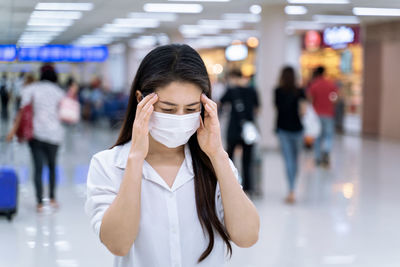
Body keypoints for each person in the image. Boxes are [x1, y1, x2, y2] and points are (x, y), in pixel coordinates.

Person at [85, 44, 260, 267]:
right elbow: (118, 243)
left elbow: (247, 236)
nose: (179, 117)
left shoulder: (214, 164)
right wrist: (136, 158)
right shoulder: (108, 165)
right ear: (141, 99)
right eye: (167, 109)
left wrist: (217, 154)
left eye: (190, 109)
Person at [7, 64, 65, 212]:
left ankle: (39, 202)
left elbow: (22, 111)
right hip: (54, 135)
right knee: (52, 167)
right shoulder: (59, 92)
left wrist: (13, 131)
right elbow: (64, 113)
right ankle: (52, 198)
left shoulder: (32, 89)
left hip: (36, 135)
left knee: (38, 168)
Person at [219, 70, 260, 195]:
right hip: (248, 130)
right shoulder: (253, 90)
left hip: (234, 129)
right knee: (247, 160)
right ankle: (248, 187)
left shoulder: (231, 90)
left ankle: (230, 185)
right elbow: (257, 109)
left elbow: (220, 103)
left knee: (229, 159)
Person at [274, 66, 307, 204]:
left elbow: (277, 108)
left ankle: (291, 190)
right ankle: (292, 188)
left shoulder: (277, 91)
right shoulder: (300, 91)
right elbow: (304, 111)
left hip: (283, 129)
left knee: (288, 160)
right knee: (295, 160)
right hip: (297, 129)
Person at [308, 66, 338, 168]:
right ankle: (326, 151)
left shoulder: (314, 85)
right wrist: (331, 103)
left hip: (317, 114)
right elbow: (336, 97)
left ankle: (318, 157)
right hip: (329, 113)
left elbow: (310, 99)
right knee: (328, 135)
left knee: (317, 136)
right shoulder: (330, 84)